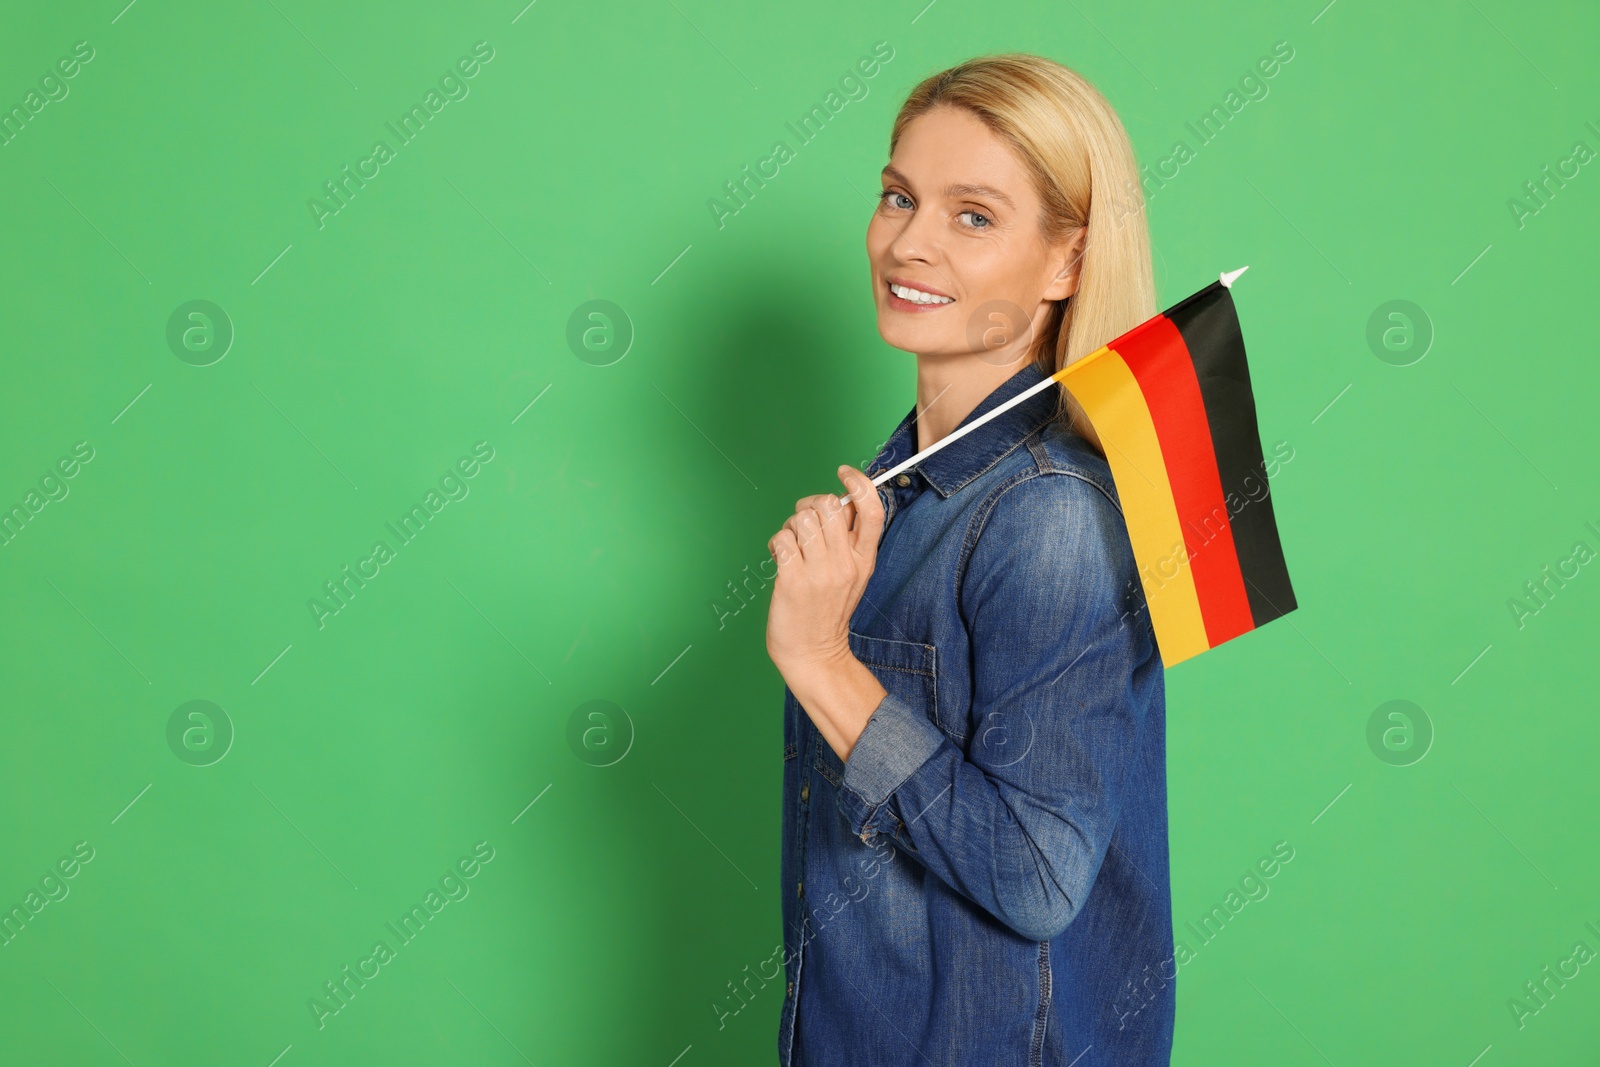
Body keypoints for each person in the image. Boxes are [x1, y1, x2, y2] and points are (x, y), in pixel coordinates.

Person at [765, 54, 1173, 1065]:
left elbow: (1035, 871)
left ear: (1066, 261)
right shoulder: (906, 485)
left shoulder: (1047, 514)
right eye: (898, 196)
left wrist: (824, 665)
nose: (908, 241)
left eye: (973, 215)